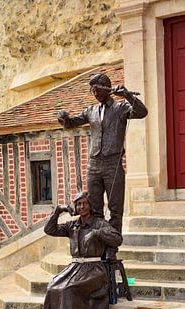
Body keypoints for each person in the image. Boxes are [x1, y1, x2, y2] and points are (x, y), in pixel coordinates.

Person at [57, 73, 148, 258]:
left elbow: (142, 112)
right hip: (94, 165)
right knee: (95, 208)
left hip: (112, 164)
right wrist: (64, 119)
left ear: (107, 88)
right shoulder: (91, 111)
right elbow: (71, 123)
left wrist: (128, 95)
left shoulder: (121, 107)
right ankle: (98, 245)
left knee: (115, 209)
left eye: (97, 89)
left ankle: (112, 248)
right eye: (92, 90)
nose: (95, 93)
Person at [33, 192, 122, 309]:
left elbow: (117, 239)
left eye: (85, 203)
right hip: (75, 267)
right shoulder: (72, 226)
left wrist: (96, 233)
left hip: (94, 269)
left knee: (70, 290)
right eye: (78, 204)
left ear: (91, 206)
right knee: (53, 287)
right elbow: (49, 229)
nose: (81, 207)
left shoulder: (99, 223)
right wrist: (58, 211)